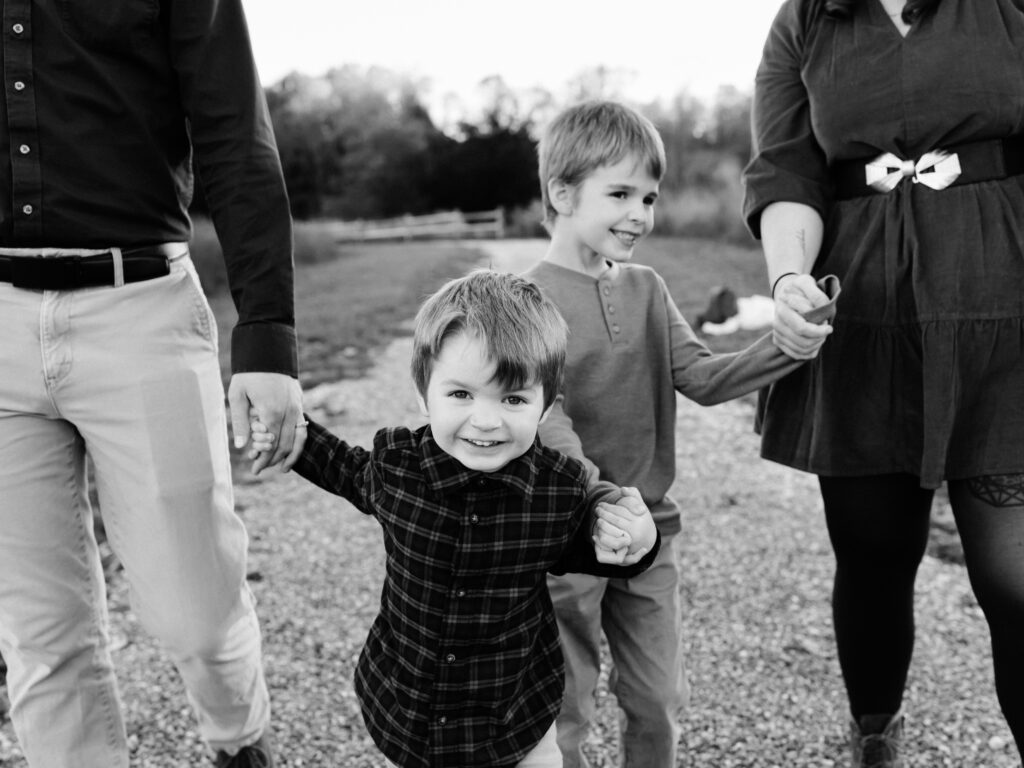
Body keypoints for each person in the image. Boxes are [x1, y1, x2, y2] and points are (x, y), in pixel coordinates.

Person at [0, 1, 304, 766]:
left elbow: (236, 137)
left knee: (197, 616)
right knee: (41, 634)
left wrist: (266, 338)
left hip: (141, 307)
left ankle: (239, 741)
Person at [742, 0, 1024, 765]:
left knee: (1015, 581)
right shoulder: (807, 19)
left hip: (1004, 303)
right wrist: (792, 278)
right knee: (872, 554)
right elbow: (788, 170)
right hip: (862, 312)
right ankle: (875, 735)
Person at [523, 99, 835, 768]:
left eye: (650, 196)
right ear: (562, 192)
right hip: (562, 541)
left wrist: (789, 345)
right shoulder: (525, 301)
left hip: (651, 532)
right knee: (566, 707)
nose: (642, 213)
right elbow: (545, 418)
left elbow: (703, 377)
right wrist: (603, 500)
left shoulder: (647, 288)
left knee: (658, 699)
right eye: (621, 194)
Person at [249, 270, 661, 768]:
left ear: (545, 408)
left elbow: (601, 552)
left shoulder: (558, 489)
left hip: (512, 707)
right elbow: (344, 468)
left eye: (512, 399)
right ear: (424, 395)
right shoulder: (399, 467)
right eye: (461, 394)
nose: (486, 420)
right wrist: (292, 432)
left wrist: (636, 538)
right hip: (414, 703)